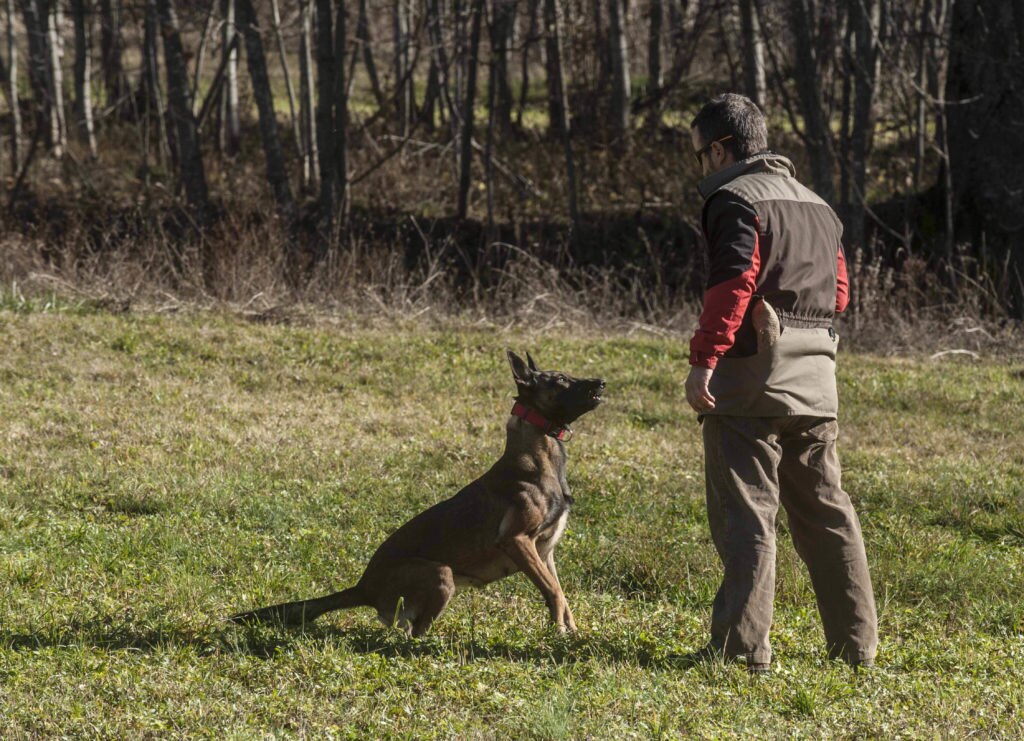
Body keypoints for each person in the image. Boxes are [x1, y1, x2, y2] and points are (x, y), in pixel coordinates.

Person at [683, 93, 877, 673]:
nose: (700, 166)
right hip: (818, 378)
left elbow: (733, 284)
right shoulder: (820, 206)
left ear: (721, 148)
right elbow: (838, 294)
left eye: (699, 154)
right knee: (827, 514)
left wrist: (704, 359)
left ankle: (740, 654)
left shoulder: (733, 197)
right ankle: (856, 649)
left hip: (750, 380)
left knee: (748, 515)